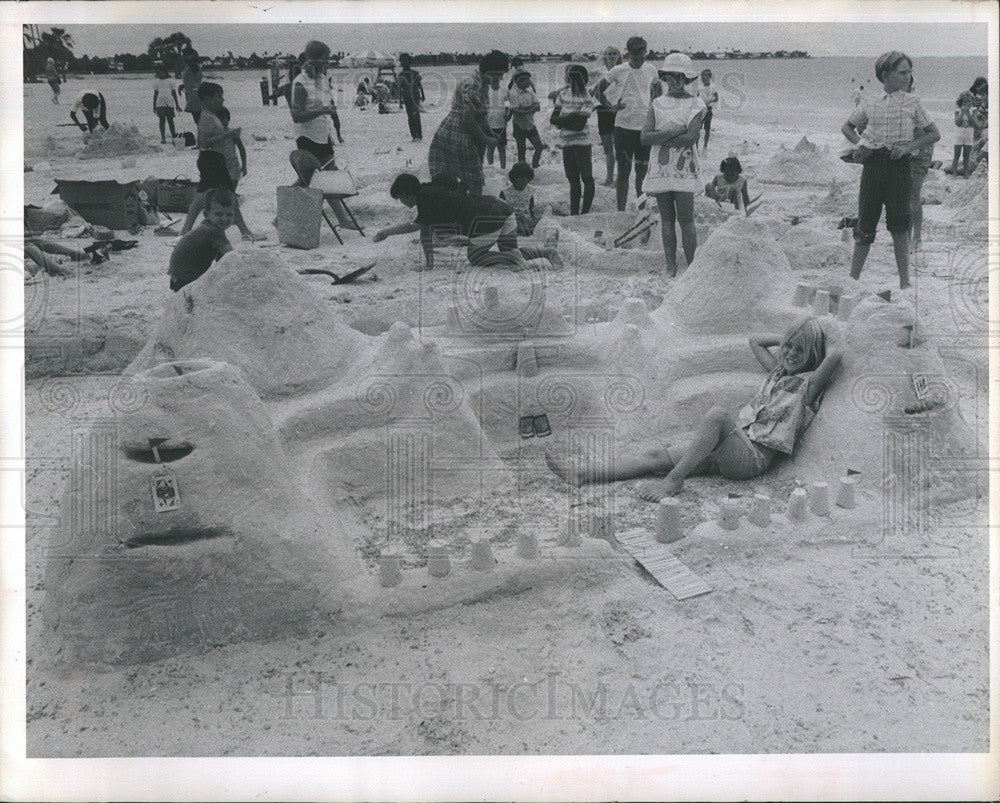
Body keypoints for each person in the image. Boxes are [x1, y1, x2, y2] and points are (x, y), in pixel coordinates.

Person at [547, 318, 842, 499]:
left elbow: (836, 354)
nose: (789, 354)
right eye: (788, 347)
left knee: (718, 415)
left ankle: (674, 481)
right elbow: (755, 342)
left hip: (752, 459)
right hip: (732, 447)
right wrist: (791, 336)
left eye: (799, 351)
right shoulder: (777, 372)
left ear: (812, 355)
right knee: (654, 457)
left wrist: (817, 334)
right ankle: (583, 474)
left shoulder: (808, 385)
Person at [840, 51, 939, 292]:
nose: (908, 77)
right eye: (903, 72)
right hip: (873, 166)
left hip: (899, 168)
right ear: (885, 75)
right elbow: (847, 126)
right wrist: (859, 145)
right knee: (865, 223)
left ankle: (905, 284)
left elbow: (934, 133)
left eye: (909, 72)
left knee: (899, 225)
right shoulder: (870, 102)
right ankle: (852, 280)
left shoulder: (913, 102)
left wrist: (908, 147)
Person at [373, 172, 561, 272]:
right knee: (507, 250)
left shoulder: (425, 197)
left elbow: (417, 228)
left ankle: (516, 259)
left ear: (405, 194)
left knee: (476, 257)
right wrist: (429, 264)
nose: (402, 203)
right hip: (500, 208)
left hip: (487, 220)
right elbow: (425, 231)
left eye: (400, 199)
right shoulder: (430, 190)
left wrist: (387, 232)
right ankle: (545, 252)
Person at [640, 52, 706, 276]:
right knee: (667, 220)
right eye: (671, 76)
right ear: (665, 77)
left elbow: (691, 138)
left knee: (686, 220)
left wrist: (662, 136)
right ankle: (671, 267)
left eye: (680, 76)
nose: (675, 81)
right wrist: (675, 130)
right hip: (660, 168)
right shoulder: (657, 103)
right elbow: (644, 138)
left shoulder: (696, 103)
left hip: (684, 168)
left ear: (687, 79)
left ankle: (692, 267)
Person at [178, 82, 263, 241]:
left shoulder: (211, 116)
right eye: (218, 97)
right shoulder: (206, 117)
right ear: (207, 99)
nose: (222, 100)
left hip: (213, 160)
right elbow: (204, 142)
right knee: (223, 197)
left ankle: (185, 231)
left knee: (204, 198)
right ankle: (245, 232)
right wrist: (228, 135)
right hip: (212, 160)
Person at [428, 50, 509, 196]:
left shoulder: (481, 84)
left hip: (463, 131)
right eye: (500, 74)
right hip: (460, 133)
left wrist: (490, 134)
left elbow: (480, 116)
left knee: (466, 178)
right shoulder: (473, 86)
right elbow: (468, 120)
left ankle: (460, 205)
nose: (501, 78)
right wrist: (486, 139)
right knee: (475, 182)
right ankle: (471, 211)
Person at [594, 36, 659, 211]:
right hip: (623, 129)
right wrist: (610, 108)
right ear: (628, 53)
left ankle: (641, 210)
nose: (639, 57)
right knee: (623, 173)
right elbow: (596, 90)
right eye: (635, 53)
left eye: (642, 53)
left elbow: (657, 88)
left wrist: (654, 106)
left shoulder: (651, 69)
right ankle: (621, 212)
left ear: (645, 52)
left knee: (642, 174)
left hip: (644, 130)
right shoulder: (618, 70)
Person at [168, 188, 235, 292]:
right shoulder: (213, 231)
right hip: (186, 279)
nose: (225, 219)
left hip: (177, 277)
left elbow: (221, 257)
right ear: (206, 215)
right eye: (219, 214)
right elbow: (231, 257)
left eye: (229, 214)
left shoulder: (207, 226)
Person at [552, 64, 596, 216]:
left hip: (582, 143)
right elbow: (552, 118)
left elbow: (579, 126)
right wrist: (572, 116)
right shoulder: (563, 94)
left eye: (579, 78)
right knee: (573, 180)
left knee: (587, 178)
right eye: (572, 78)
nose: (575, 81)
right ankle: (574, 213)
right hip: (566, 143)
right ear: (568, 79)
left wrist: (563, 119)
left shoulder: (587, 98)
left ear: (586, 80)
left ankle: (584, 213)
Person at [288, 41, 338, 173]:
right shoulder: (301, 82)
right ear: (317, 59)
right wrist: (323, 110)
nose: (328, 62)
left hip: (323, 134)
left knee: (331, 173)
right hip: (307, 138)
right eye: (326, 58)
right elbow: (296, 116)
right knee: (311, 179)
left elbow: (326, 103)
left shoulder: (322, 78)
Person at [906, 77, 933, 253]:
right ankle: (907, 237)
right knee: (903, 197)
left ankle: (916, 238)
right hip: (904, 153)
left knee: (913, 195)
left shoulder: (915, 104)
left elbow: (928, 133)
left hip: (920, 153)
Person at [591, 46, 623, 186]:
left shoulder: (623, 70)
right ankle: (609, 178)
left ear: (618, 56)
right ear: (604, 56)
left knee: (620, 147)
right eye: (609, 53)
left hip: (619, 110)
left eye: (614, 54)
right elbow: (594, 91)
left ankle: (620, 178)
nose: (611, 56)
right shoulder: (599, 72)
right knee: (608, 148)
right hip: (603, 110)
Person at [509, 68, 545, 169]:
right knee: (521, 151)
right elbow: (516, 111)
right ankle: (523, 170)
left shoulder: (530, 92)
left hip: (530, 124)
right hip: (518, 125)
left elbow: (538, 107)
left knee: (539, 147)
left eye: (528, 79)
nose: (527, 81)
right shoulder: (513, 93)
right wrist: (530, 108)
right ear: (517, 82)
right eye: (524, 79)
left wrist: (525, 108)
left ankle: (535, 166)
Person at [500, 162, 541, 235]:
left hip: (527, 221)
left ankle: (528, 230)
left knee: (544, 221)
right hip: (513, 222)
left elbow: (531, 211)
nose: (525, 181)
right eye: (521, 178)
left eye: (526, 178)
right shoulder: (505, 193)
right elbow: (502, 215)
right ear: (515, 177)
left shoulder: (530, 191)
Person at [484, 70, 510, 168]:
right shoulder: (486, 90)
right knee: (490, 148)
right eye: (493, 78)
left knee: (501, 148)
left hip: (501, 123)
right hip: (489, 124)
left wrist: (508, 114)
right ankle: (490, 168)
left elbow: (508, 103)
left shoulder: (504, 90)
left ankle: (503, 168)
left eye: (497, 77)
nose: (495, 80)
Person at [397, 53, 425, 141]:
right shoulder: (401, 75)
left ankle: (418, 134)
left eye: (406, 61)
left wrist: (423, 95)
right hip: (407, 97)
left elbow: (420, 85)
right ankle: (414, 135)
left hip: (415, 96)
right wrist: (400, 100)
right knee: (410, 116)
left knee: (415, 115)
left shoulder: (414, 73)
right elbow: (400, 88)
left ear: (409, 62)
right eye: (403, 61)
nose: (404, 63)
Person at [152, 63, 181, 144]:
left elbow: (174, 93)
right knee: (162, 120)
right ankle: (163, 138)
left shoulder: (170, 81)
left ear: (163, 71)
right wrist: (154, 106)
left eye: (158, 72)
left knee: (170, 120)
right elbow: (155, 94)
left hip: (170, 103)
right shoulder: (156, 82)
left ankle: (174, 137)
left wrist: (177, 105)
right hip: (160, 103)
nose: (157, 74)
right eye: (156, 73)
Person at [217, 107, 247, 183]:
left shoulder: (232, 133)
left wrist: (244, 165)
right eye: (222, 118)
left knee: (230, 191)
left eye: (227, 118)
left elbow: (241, 149)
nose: (225, 120)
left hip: (233, 166)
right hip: (218, 167)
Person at [952, 91, 977, 179]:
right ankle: (954, 174)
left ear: (972, 102)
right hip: (959, 133)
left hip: (969, 133)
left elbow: (974, 123)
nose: (967, 104)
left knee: (966, 156)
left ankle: (965, 174)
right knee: (956, 154)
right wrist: (962, 113)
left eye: (969, 101)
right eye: (965, 102)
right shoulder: (957, 111)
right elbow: (957, 123)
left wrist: (968, 113)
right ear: (961, 102)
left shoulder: (974, 110)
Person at [696, 68, 719, 153]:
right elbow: (697, 98)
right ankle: (696, 146)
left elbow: (717, 98)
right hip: (700, 110)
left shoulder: (713, 87)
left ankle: (705, 145)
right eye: (702, 76)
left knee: (707, 129)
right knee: (697, 128)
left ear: (709, 77)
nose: (703, 77)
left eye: (705, 76)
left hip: (708, 109)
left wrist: (709, 101)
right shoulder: (699, 87)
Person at [180, 48, 203, 125]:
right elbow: (192, 79)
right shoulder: (188, 67)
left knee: (199, 119)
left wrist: (192, 55)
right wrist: (183, 85)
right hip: (190, 94)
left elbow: (189, 61)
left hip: (196, 95)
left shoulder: (194, 66)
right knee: (197, 119)